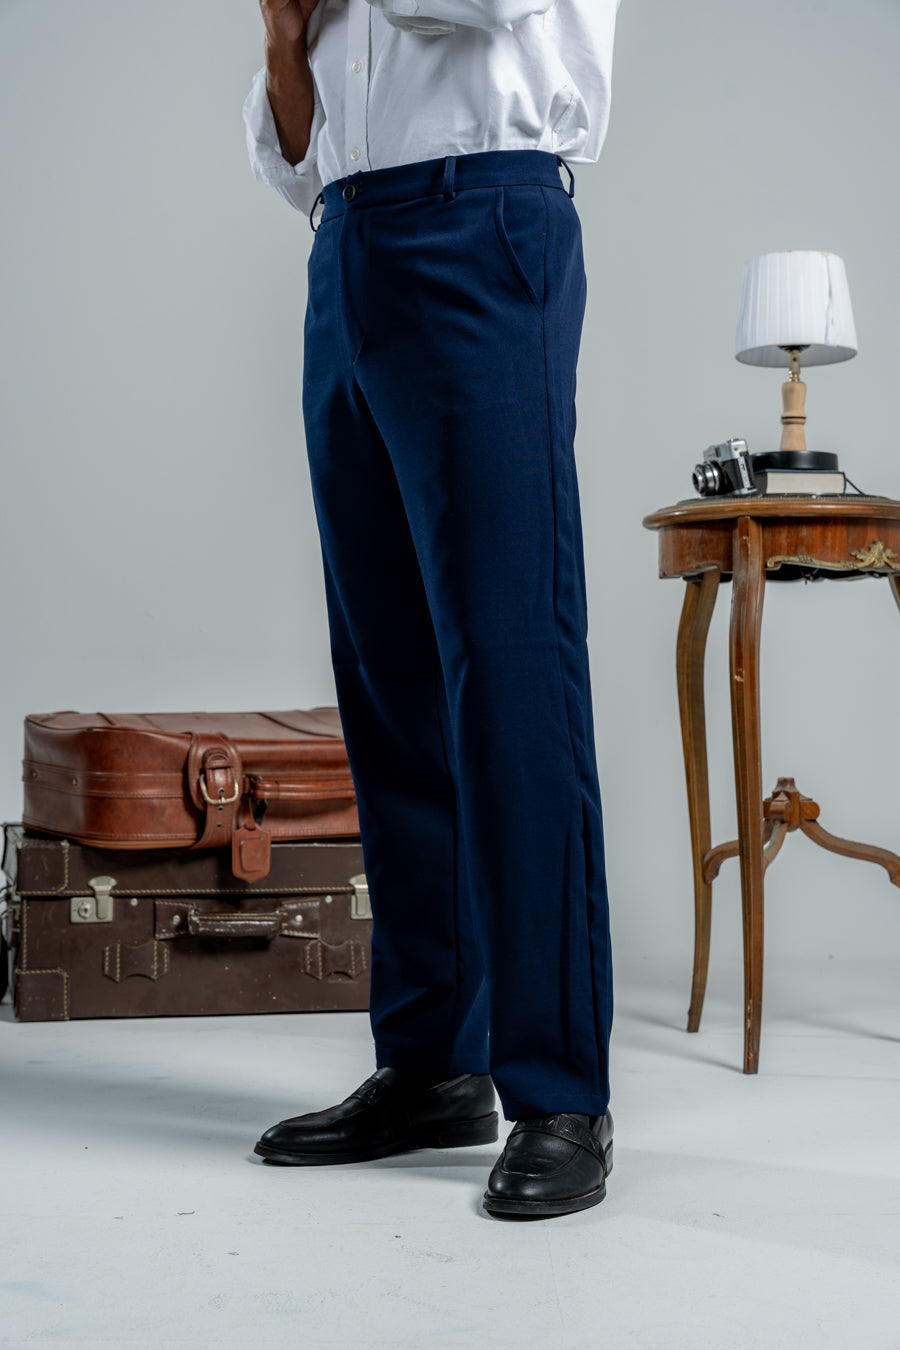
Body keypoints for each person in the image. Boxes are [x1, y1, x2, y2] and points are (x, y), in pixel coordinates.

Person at [244, 0, 621, 1220]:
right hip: (347, 240)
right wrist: (275, 34)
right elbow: (291, 151)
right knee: (389, 678)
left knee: (511, 669)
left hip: (484, 222)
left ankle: (561, 1092)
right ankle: (429, 1065)